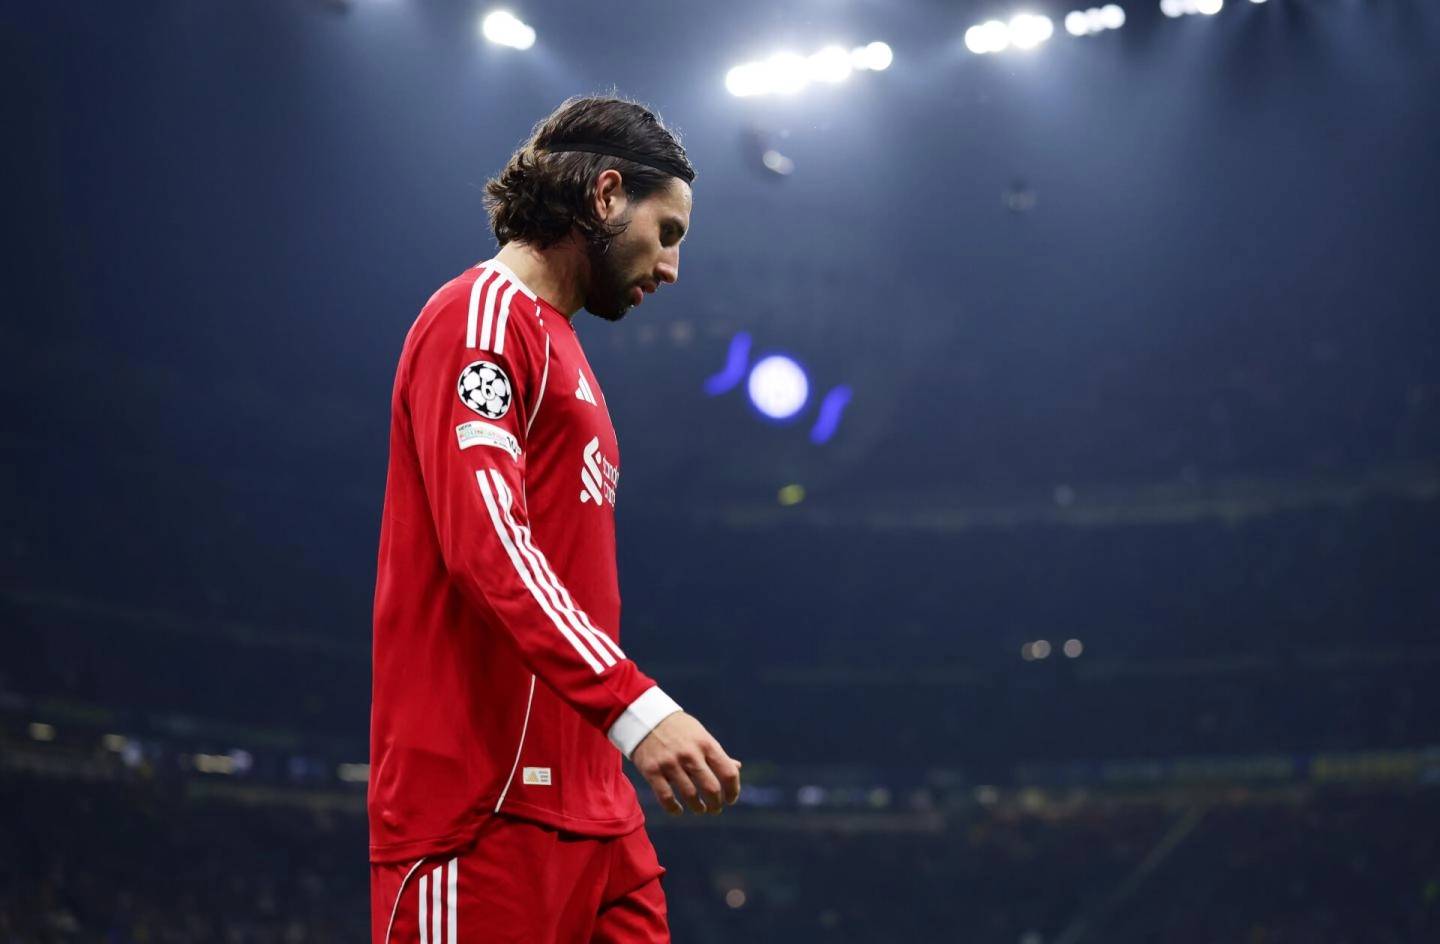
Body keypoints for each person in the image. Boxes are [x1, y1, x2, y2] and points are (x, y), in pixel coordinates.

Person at [368, 95, 742, 944]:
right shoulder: (479, 318)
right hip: (483, 810)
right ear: (606, 195)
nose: (672, 269)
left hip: (597, 811)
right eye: (668, 232)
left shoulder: (562, 345)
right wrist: (636, 707)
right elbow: (488, 547)